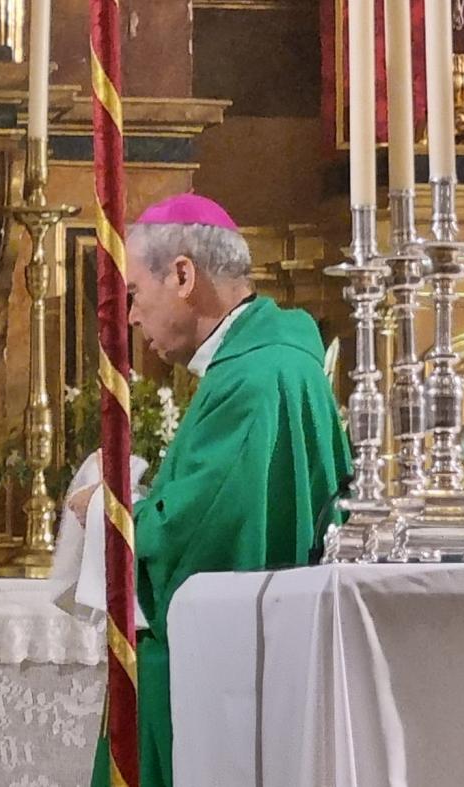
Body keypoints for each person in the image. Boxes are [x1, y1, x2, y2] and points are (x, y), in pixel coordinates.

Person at [75, 193, 351, 787]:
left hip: (222, 681)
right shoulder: (269, 360)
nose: (129, 317)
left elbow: (198, 537)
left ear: (181, 275)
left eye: (134, 295)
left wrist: (103, 508)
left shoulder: (253, 378)